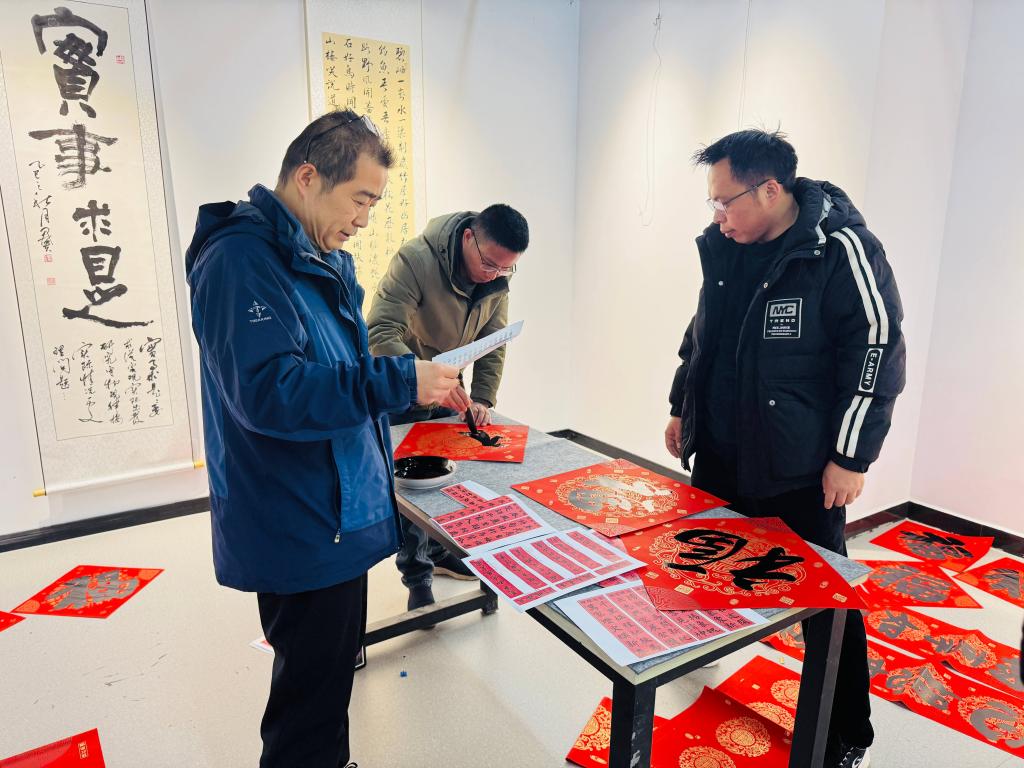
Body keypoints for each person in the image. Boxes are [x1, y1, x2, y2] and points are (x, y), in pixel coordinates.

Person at [185, 110, 461, 768]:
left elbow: (333, 371)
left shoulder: (315, 256)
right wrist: (400, 379)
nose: (364, 219)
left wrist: (401, 393)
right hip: (299, 516)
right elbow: (271, 393)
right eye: (359, 198)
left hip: (333, 510)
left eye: (374, 204)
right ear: (308, 178)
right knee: (307, 700)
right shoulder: (241, 262)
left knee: (327, 680)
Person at [665, 129, 906, 768]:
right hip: (722, 451)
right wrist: (681, 405)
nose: (718, 215)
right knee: (699, 563)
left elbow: (877, 350)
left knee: (825, 602)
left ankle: (845, 731)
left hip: (798, 466)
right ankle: (697, 653)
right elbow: (702, 334)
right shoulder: (727, 245)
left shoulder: (840, 248)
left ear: (770, 190)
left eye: (725, 201)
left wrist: (851, 456)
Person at [367, 204, 529, 610]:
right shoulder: (415, 260)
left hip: (449, 386)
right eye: (489, 264)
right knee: (412, 486)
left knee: (452, 477)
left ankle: (440, 553)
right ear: (468, 237)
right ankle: (416, 574)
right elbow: (380, 330)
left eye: (505, 268)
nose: (494, 274)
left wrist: (483, 398)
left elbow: (494, 341)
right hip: (406, 384)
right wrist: (422, 380)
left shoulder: (497, 279)